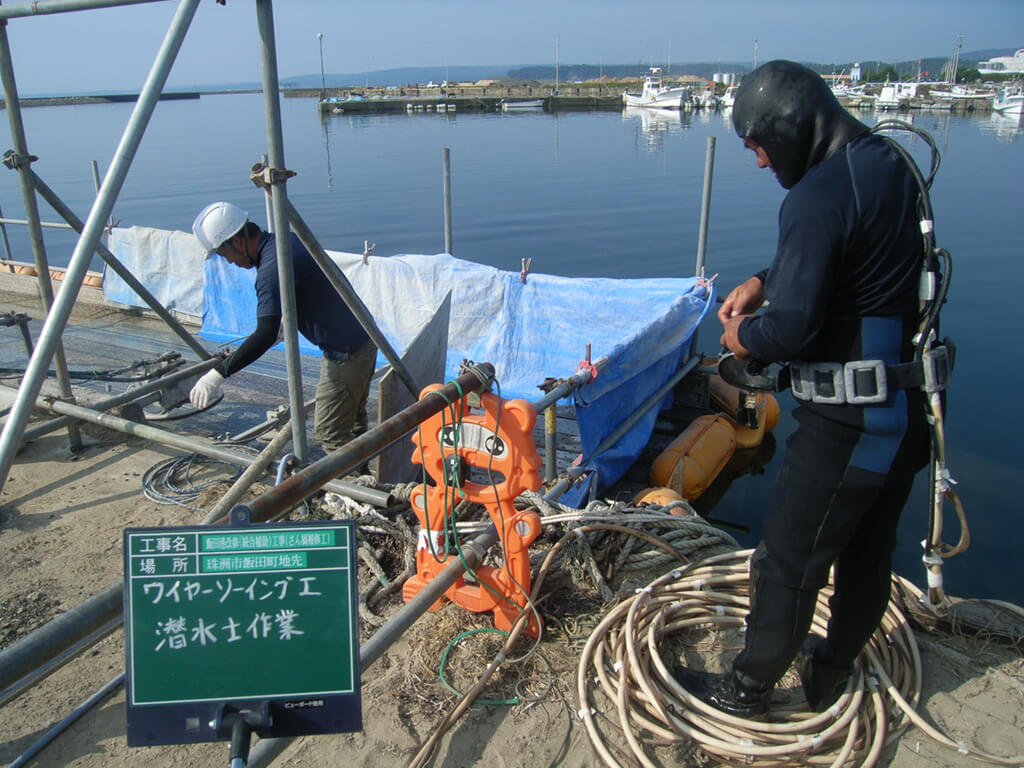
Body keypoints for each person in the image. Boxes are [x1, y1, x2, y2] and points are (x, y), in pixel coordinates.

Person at [675, 60, 931, 716]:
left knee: (787, 560)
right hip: (908, 406)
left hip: (847, 424)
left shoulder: (813, 198)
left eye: (756, 146)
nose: (759, 163)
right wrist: (768, 274)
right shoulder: (887, 163)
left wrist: (742, 338)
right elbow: (857, 254)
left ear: (788, 130)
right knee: (869, 558)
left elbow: (787, 333)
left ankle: (747, 690)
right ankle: (829, 675)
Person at [189, 201, 377, 454]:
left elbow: (264, 335)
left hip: (346, 353)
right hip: (364, 336)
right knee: (352, 420)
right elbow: (304, 295)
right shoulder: (285, 241)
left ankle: (352, 489)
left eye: (225, 255)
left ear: (237, 242)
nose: (230, 263)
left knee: (330, 432)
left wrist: (219, 374)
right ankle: (363, 476)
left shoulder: (270, 271)